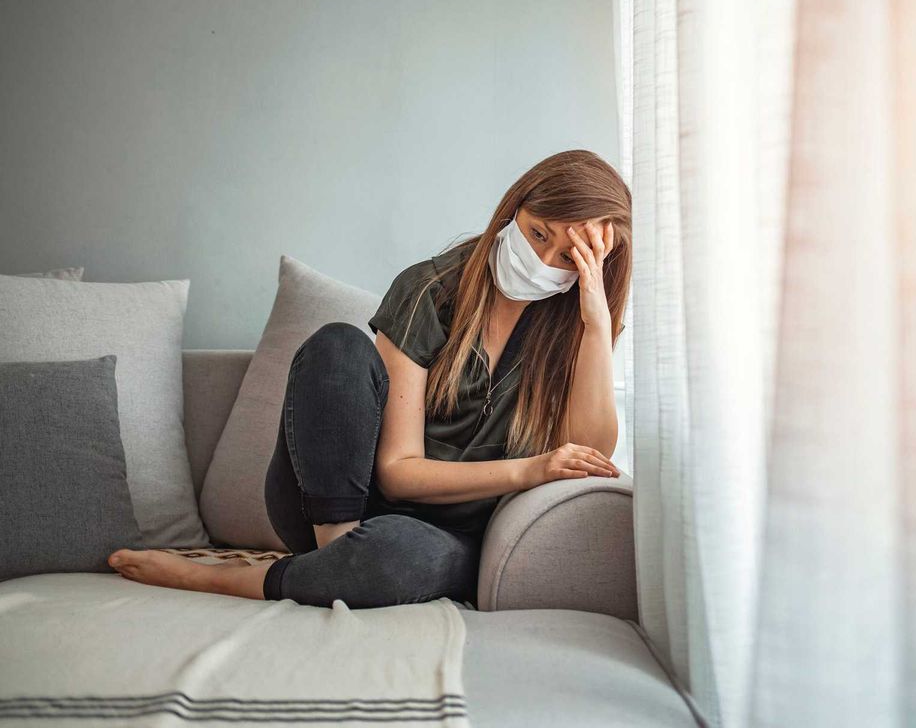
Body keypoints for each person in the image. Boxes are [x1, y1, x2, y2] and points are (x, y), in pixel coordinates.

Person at [107, 149, 631, 608]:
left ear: (596, 263)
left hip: (444, 537)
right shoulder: (430, 289)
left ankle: (264, 578)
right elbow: (397, 472)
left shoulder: (577, 327)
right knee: (337, 344)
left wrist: (595, 322)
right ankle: (335, 561)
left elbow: (587, 453)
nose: (541, 260)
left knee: (395, 556)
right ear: (514, 209)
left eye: (567, 255)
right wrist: (527, 469)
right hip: (336, 505)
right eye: (537, 233)